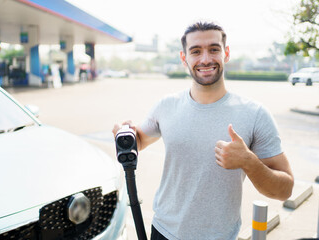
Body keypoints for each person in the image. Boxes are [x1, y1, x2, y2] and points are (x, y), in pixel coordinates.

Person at [112, 21, 294, 240]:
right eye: (196, 51)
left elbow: (285, 190)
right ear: (184, 58)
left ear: (226, 54)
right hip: (163, 232)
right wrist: (124, 133)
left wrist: (249, 162)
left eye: (214, 49)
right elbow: (138, 141)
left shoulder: (255, 114)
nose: (205, 59)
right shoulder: (166, 106)